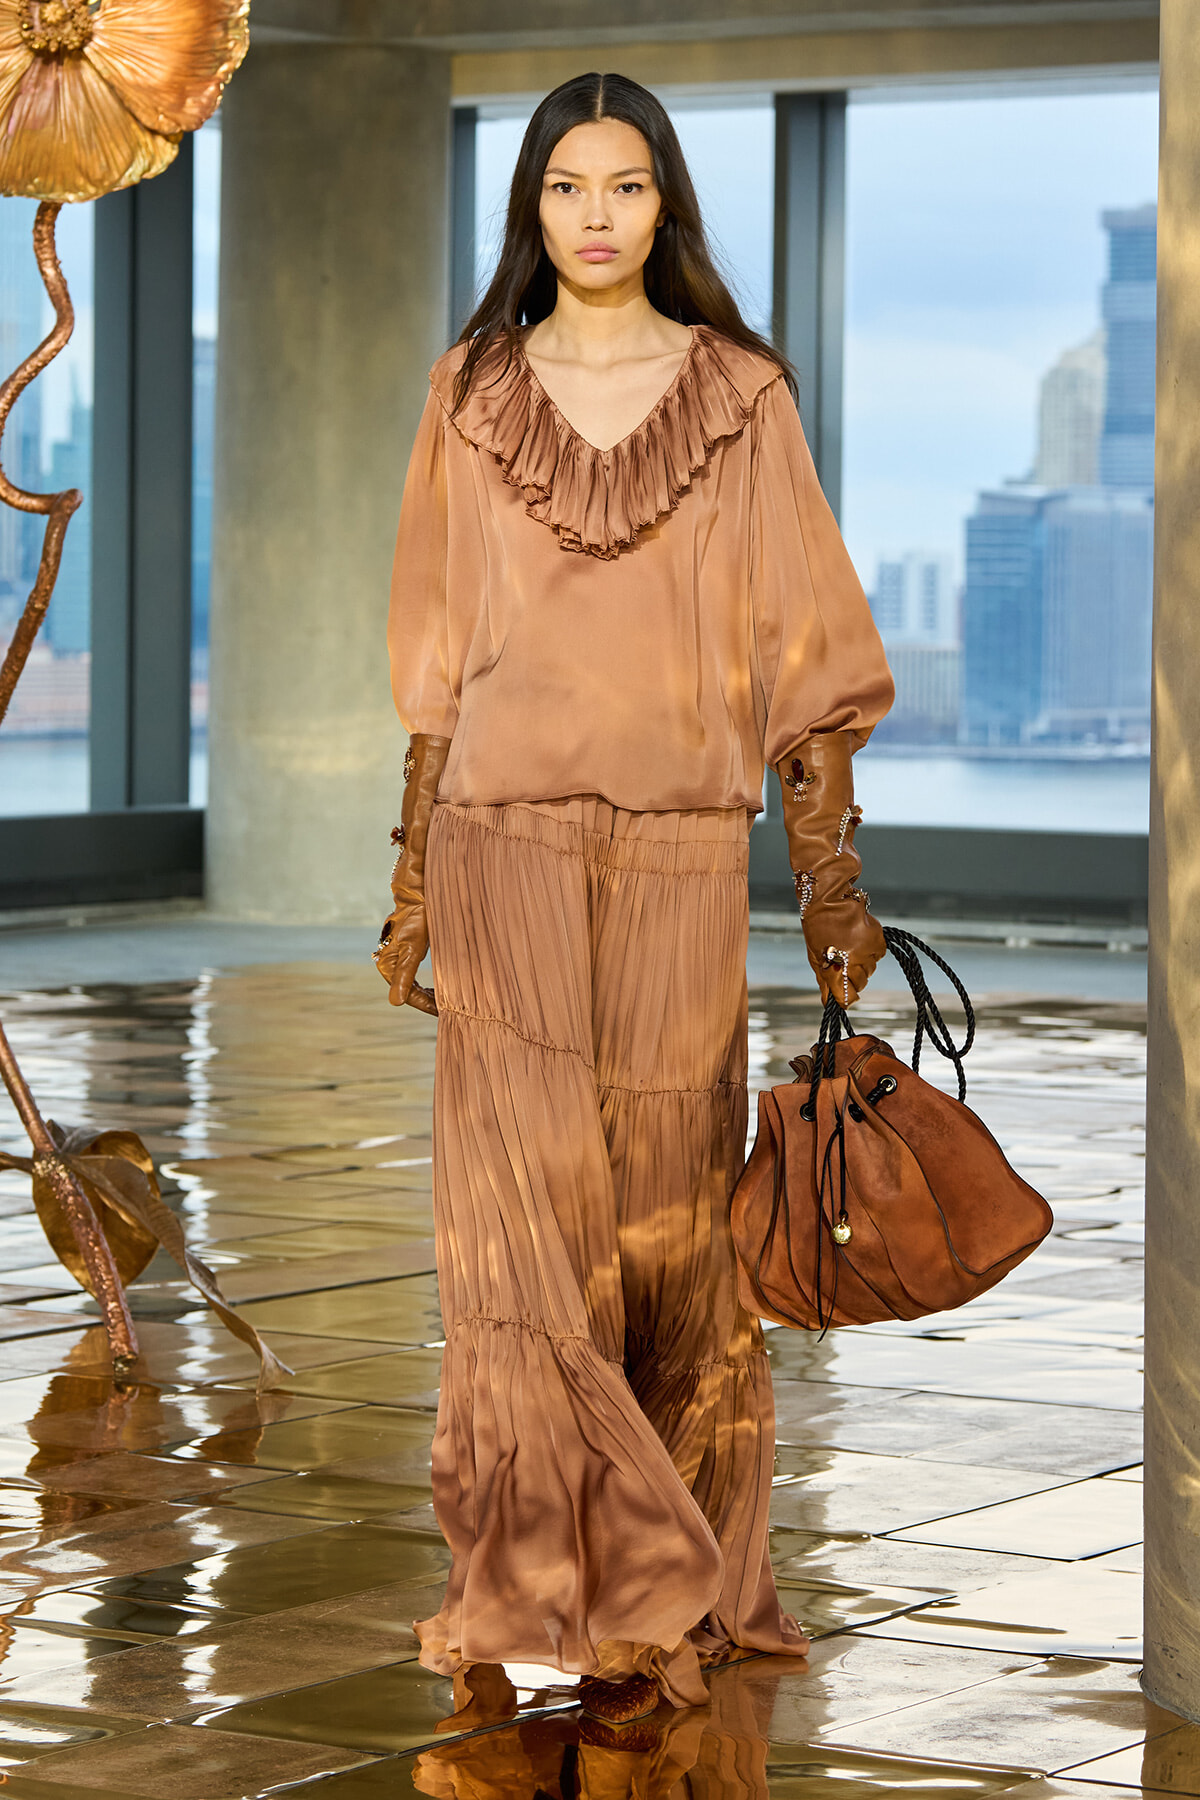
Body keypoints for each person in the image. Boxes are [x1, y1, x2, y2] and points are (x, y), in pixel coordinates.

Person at [378, 70, 894, 1728]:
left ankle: (675, 1574)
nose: (595, 217)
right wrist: (410, 876)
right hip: (502, 839)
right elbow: (437, 659)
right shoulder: (469, 391)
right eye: (563, 190)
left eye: (626, 187)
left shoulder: (743, 397)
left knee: (666, 1224)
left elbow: (808, 657)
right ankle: (541, 1574)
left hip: (683, 846)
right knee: (517, 1233)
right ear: (529, 211)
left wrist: (831, 881)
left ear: (665, 204)